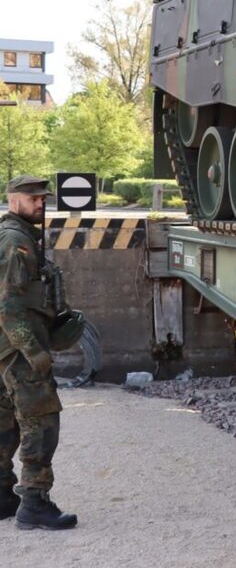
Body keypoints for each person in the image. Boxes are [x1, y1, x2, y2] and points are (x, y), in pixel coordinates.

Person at [0, 175, 77, 530]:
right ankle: (34, 503)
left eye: (43, 198)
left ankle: (3, 496)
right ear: (13, 199)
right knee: (41, 422)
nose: (40, 203)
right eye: (33, 198)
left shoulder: (19, 237)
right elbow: (8, 307)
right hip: (19, 350)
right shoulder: (16, 242)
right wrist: (35, 353)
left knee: (6, 421)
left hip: (6, 349)